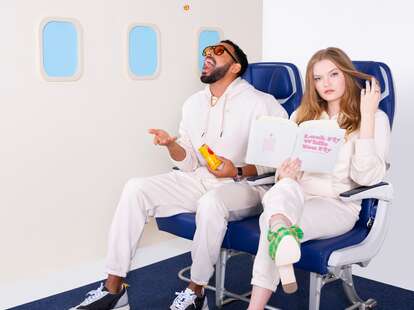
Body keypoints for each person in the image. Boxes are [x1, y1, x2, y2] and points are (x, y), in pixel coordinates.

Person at [69, 40, 287, 310]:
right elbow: (189, 161)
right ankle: (113, 289)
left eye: (218, 52)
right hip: (200, 178)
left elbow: (280, 163)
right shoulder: (193, 104)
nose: (208, 56)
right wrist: (173, 146)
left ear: (236, 66)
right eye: (206, 52)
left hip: (246, 186)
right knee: (136, 188)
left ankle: (196, 292)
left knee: (212, 202)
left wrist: (239, 169)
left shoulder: (262, 104)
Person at [247, 47, 391, 310]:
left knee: (270, 222)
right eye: (318, 78)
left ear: (347, 75)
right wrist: (285, 172)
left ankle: (255, 303)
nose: (326, 83)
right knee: (282, 191)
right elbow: (283, 173)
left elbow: (367, 176)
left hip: (337, 204)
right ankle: (281, 228)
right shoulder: (301, 115)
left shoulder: (375, 118)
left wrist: (367, 116)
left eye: (334, 74)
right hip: (295, 196)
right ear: (311, 84)